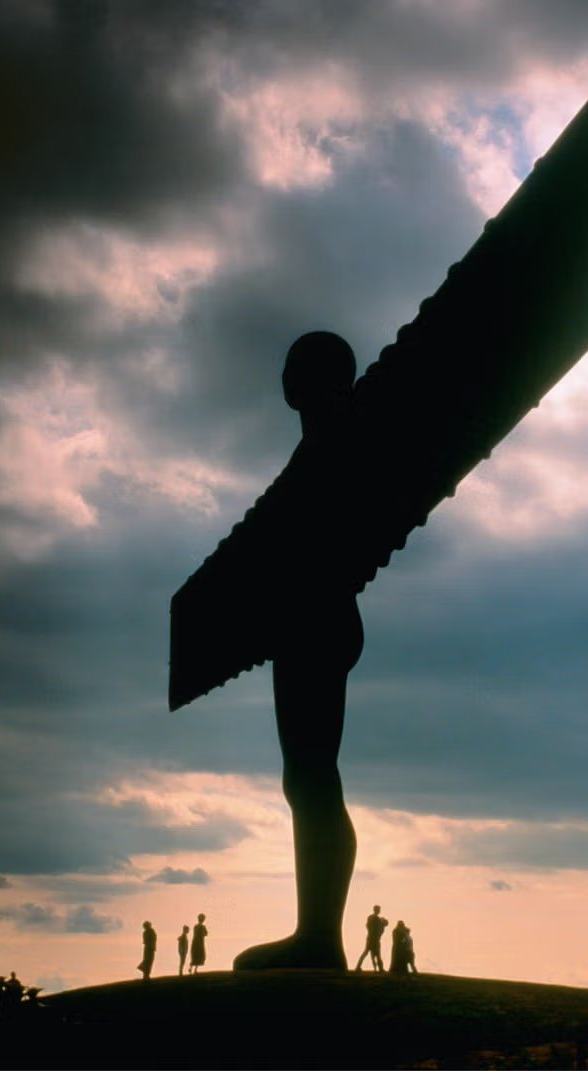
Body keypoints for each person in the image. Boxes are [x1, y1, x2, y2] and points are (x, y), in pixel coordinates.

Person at [233, 333, 362, 971]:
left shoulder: (339, 441)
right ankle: (315, 932)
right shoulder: (316, 448)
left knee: (313, 777)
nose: (288, 382)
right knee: (305, 777)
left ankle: (320, 938)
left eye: (297, 370)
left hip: (319, 617)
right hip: (308, 619)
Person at [355, 905, 388, 972]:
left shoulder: (375, 919)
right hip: (372, 939)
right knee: (369, 953)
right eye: (378, 909)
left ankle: (358, 966)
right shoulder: (375, 919)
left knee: (370, 953)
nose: (379, 911)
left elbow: (368, 926)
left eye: (379, 909)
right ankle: (358, 967)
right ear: (375, 910)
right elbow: (369, 927)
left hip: (373, 939)